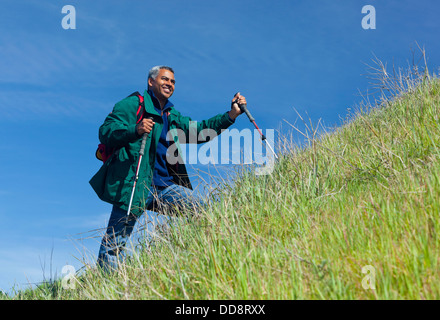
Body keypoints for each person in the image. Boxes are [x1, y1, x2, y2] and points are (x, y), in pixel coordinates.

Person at [89, 65, 246, 271]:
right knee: (114, 244)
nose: (169, 84)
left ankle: (204, 263)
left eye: (172, 81)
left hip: (164, 187)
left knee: (206, 213)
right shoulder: (132, 104)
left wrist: (230, 116)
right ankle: (105, 287)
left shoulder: (171, 115)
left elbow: (198, 131)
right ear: (151, 82)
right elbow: (106, 131)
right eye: (165, 79)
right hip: (134, 185)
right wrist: (135, 129)